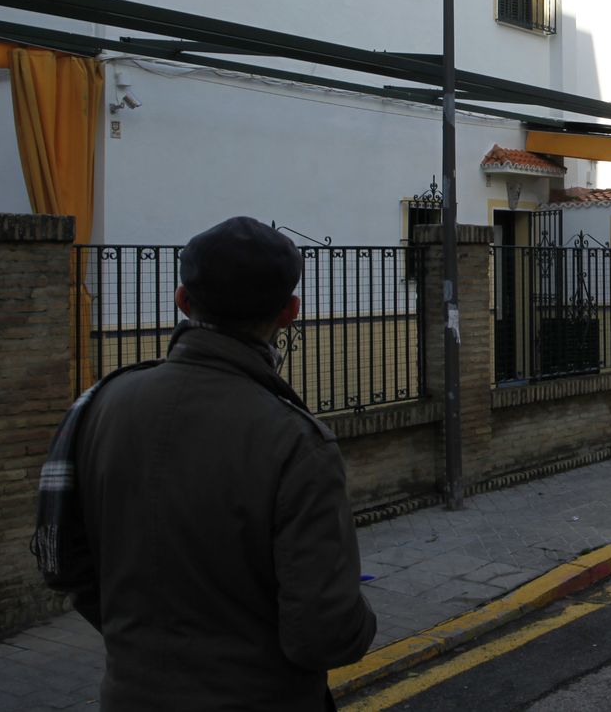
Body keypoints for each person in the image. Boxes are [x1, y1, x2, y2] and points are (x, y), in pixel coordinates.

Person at [34, 217, 375, 711]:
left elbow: (62, 562)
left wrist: (137, 636)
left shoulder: (97, 406)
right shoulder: (298, 442)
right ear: (290, 312)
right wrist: (361, 620)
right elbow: (324, 633)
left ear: (183, 301)